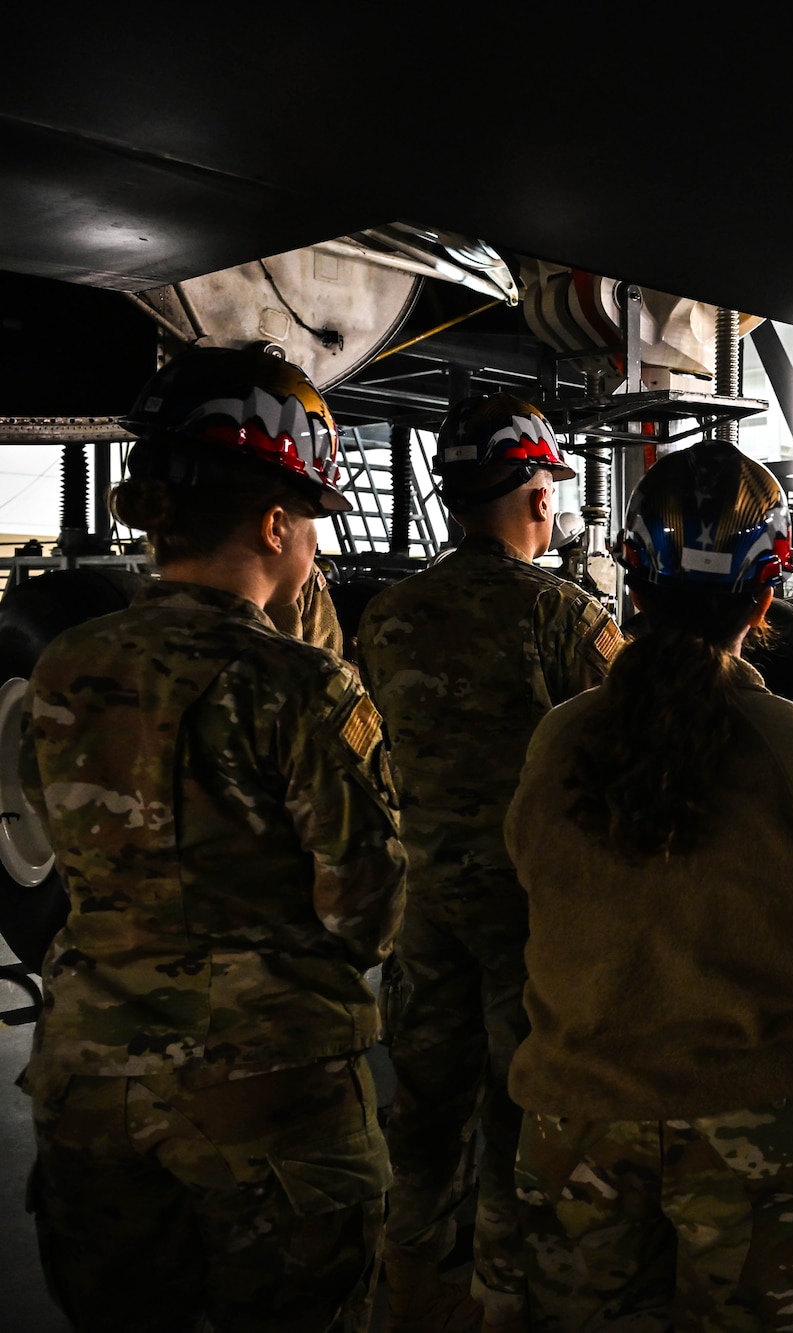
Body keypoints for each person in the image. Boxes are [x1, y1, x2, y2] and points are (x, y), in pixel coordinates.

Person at [15, 345, 405, 1331]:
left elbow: (55, 823)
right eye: (309, 521)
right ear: (275, 524)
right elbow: (368, 911)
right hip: (267, 1101)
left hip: (91, 1085)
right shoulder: (302, 686)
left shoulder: (65, 663)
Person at [505, 442, 793, 1331]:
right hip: (763, 1139)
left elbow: (530, 875)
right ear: (767, 595)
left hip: (580, 1127)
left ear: (633, 584)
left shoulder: (558, 743)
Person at [356, 394, 621, 1333]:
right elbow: (629, 743)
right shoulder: (562, 615)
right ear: (537, 497)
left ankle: (414, 1281)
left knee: (423, 1102)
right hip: (526, 915)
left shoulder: (387, 615)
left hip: (421, 903)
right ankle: (505, 1296)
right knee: (523, 1104)